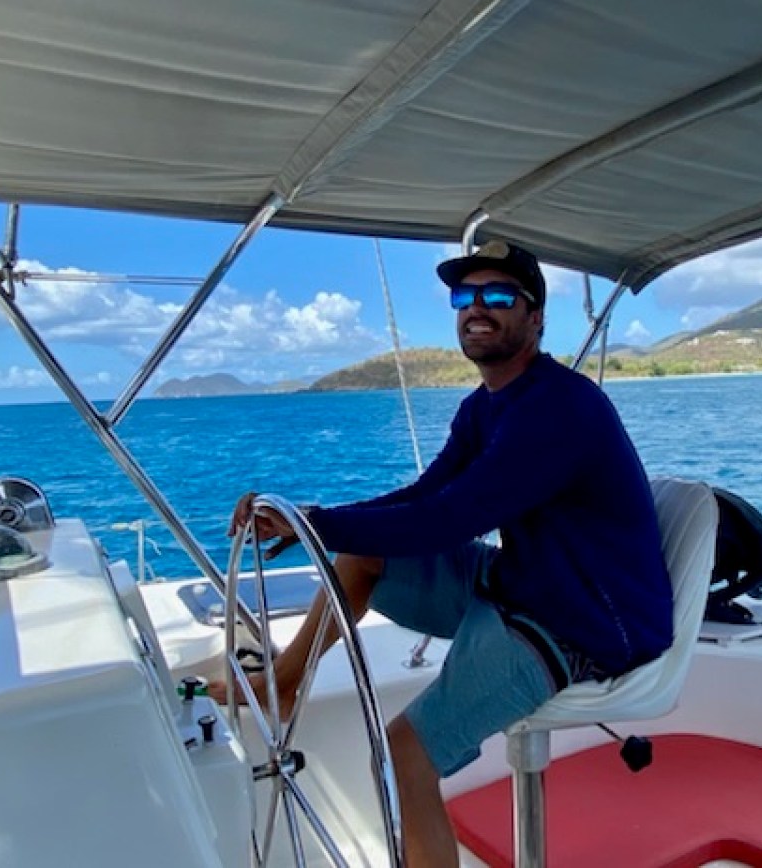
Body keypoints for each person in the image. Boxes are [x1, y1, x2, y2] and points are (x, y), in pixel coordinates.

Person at [224, 240, 672, 867]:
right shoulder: (484, 406)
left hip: (578, 624)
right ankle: (287, 679)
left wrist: (315, 525)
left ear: (536, 318)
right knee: (363, 554)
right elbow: (424, 495)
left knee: (405, 751)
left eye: (499, 296)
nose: (477, 308)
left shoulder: (561, 408)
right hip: (522, 584)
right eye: (465, 296)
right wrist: (310, 519)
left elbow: (450, 519)